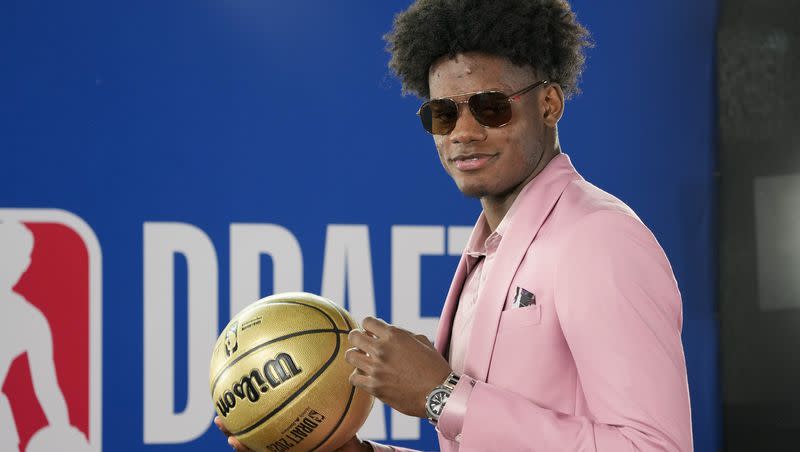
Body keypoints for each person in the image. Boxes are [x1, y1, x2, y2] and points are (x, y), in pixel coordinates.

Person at [218, 0, 693, 450]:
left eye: (491, 107)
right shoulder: (490, 250)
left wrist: (441, 394)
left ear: (548, 104)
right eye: (443, 114)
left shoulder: (599, 239)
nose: (463, 133)